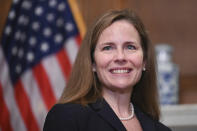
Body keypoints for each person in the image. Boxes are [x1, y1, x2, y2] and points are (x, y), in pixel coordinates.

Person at [43, 9, 171, 131]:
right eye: (108, 48)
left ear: (144, 61)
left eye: (130, 47)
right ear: (92, 62)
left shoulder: (160, 129)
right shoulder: (67, 117)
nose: (120, 57)